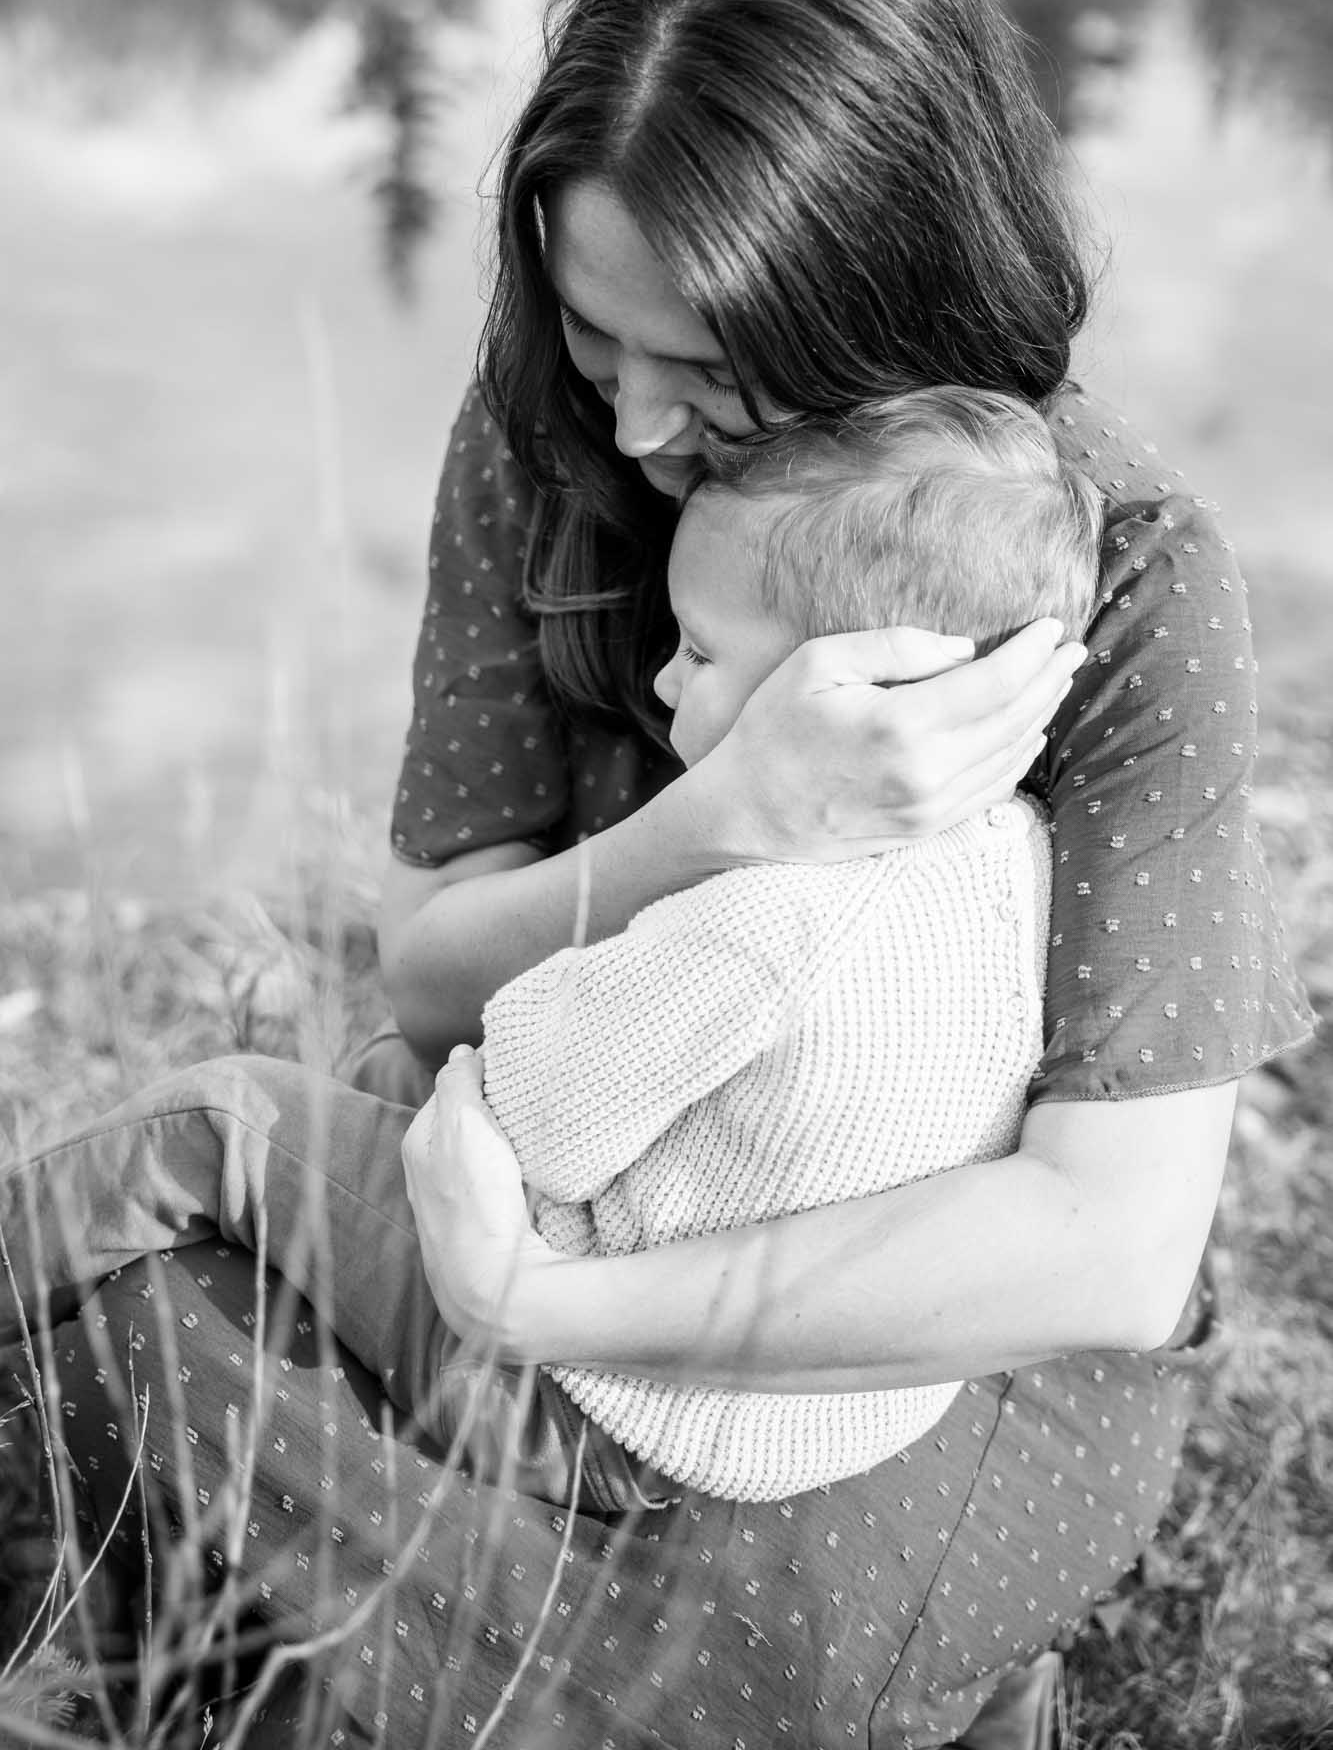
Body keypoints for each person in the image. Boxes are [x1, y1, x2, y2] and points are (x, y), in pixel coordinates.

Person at [25, 0, 1312, 1750]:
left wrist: (537, 1310)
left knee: (670, 1589)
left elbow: (1100, 1255)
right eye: (590, 335)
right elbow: (430, 970)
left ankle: (656, 1644)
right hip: (607, 1181)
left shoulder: (1122, 586)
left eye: (699, 368)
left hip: (922, 1347)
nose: (625, 424)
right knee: (164, 1304)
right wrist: (719, 831)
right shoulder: (556, 433)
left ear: (881, 301)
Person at [2, 389, 1101, 1519]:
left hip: (595, 1398)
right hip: (803, 1401)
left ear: (849, 692)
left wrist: (497, 1044)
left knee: (221, 1117)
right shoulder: (1015, 858)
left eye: (703, 651)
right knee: (375, 1080)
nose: (668, 679)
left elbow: (531, 1124)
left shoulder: (765, 925)